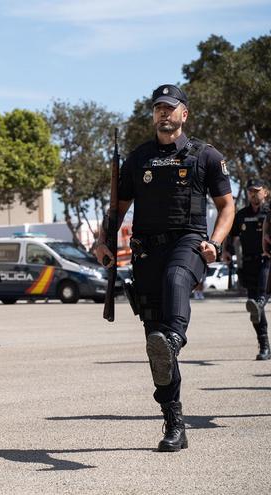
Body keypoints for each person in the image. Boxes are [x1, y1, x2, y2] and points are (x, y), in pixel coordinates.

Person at [93, 84, 234, 452]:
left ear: (184, 114)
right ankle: (174, 423)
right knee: (155, 348)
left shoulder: (205, 155)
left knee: (175, 283)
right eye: (158, 108)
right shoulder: (139, 159)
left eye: (171, 108)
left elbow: (227, 206)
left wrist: (215, 243)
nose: (164, 113)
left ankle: (173, 340)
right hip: (145, 255)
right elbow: (117, 209)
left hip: (188, 244)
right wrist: (103, 242)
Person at [228, 178, 270, 360]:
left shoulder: (270, 213)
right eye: (250, 191)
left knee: (261, 295)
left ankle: (260, 302)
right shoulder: (242, 214)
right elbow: (232, 235)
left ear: (265, 193)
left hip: (267, 260)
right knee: (254, 305)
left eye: (257, 190)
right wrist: (227, 252)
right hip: (248, 263)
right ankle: (264, 346)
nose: (253, 194)